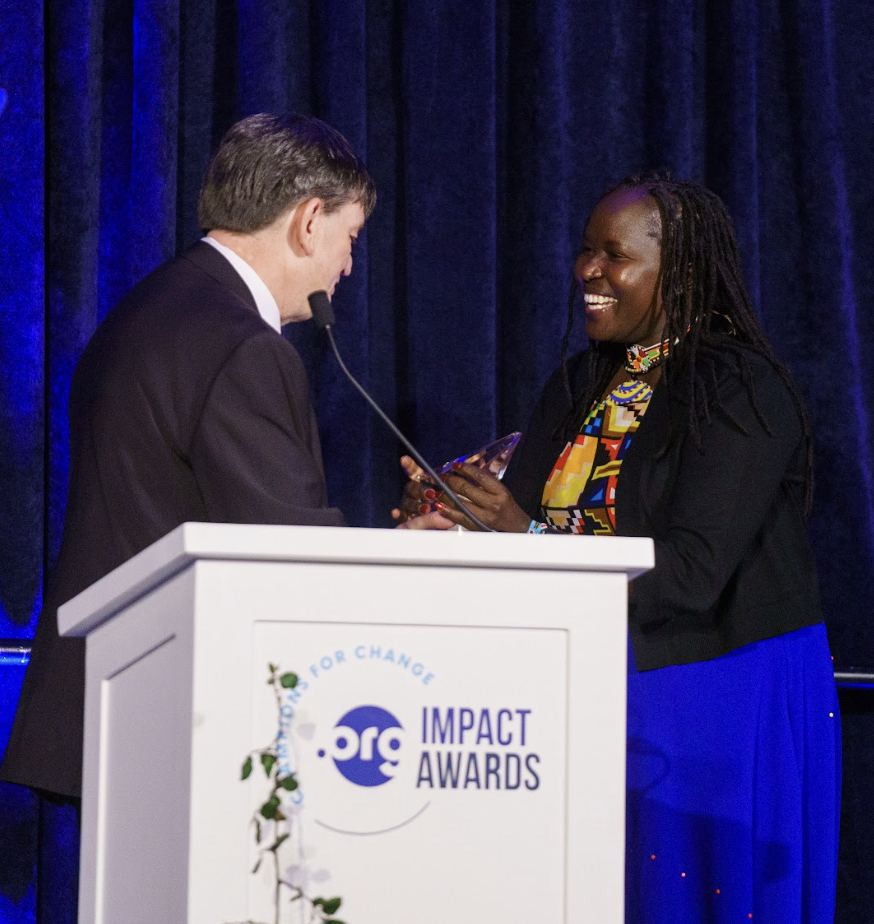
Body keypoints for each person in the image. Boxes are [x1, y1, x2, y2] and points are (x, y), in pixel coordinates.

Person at [395, 175, 841, 923]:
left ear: (684, 272)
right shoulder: (577, 383)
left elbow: (691, 574)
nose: (587, 272)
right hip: (591, 684)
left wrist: (518, 532)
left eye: (613, 255)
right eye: (583, 252)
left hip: (712, 693)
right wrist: (452, 509)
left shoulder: (740, 387)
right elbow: (527, 520)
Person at [1, 113, 375, 801]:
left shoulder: (147, 309)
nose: (348, 265)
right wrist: (413, 565)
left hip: (113, 708)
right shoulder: (244, 347)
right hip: (176, 725)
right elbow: (285, 553)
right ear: (309, 220)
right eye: (349, 238)